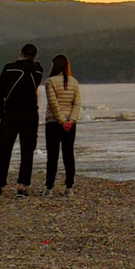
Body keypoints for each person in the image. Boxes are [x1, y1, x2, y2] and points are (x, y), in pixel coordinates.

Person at [0, 43, 46, 196]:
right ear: (34, 56)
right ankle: (22, 186)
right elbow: (37, 65)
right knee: (27, 151)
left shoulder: (9, 68)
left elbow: (0, 92)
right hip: (31, 114)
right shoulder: (38, 70)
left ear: (20, 53)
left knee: (4, 150)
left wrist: (2, 112)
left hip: (11, 114)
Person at [42, 54, 81, 194]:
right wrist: (71, 120)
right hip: (70, 124)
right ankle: (69, 187)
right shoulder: (74, 82)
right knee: (68, 154)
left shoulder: (50, 82)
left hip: (53, 122)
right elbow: (77, 104)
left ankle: (49, 187)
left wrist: (62, 121)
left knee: (52, 155)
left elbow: (53, 104)